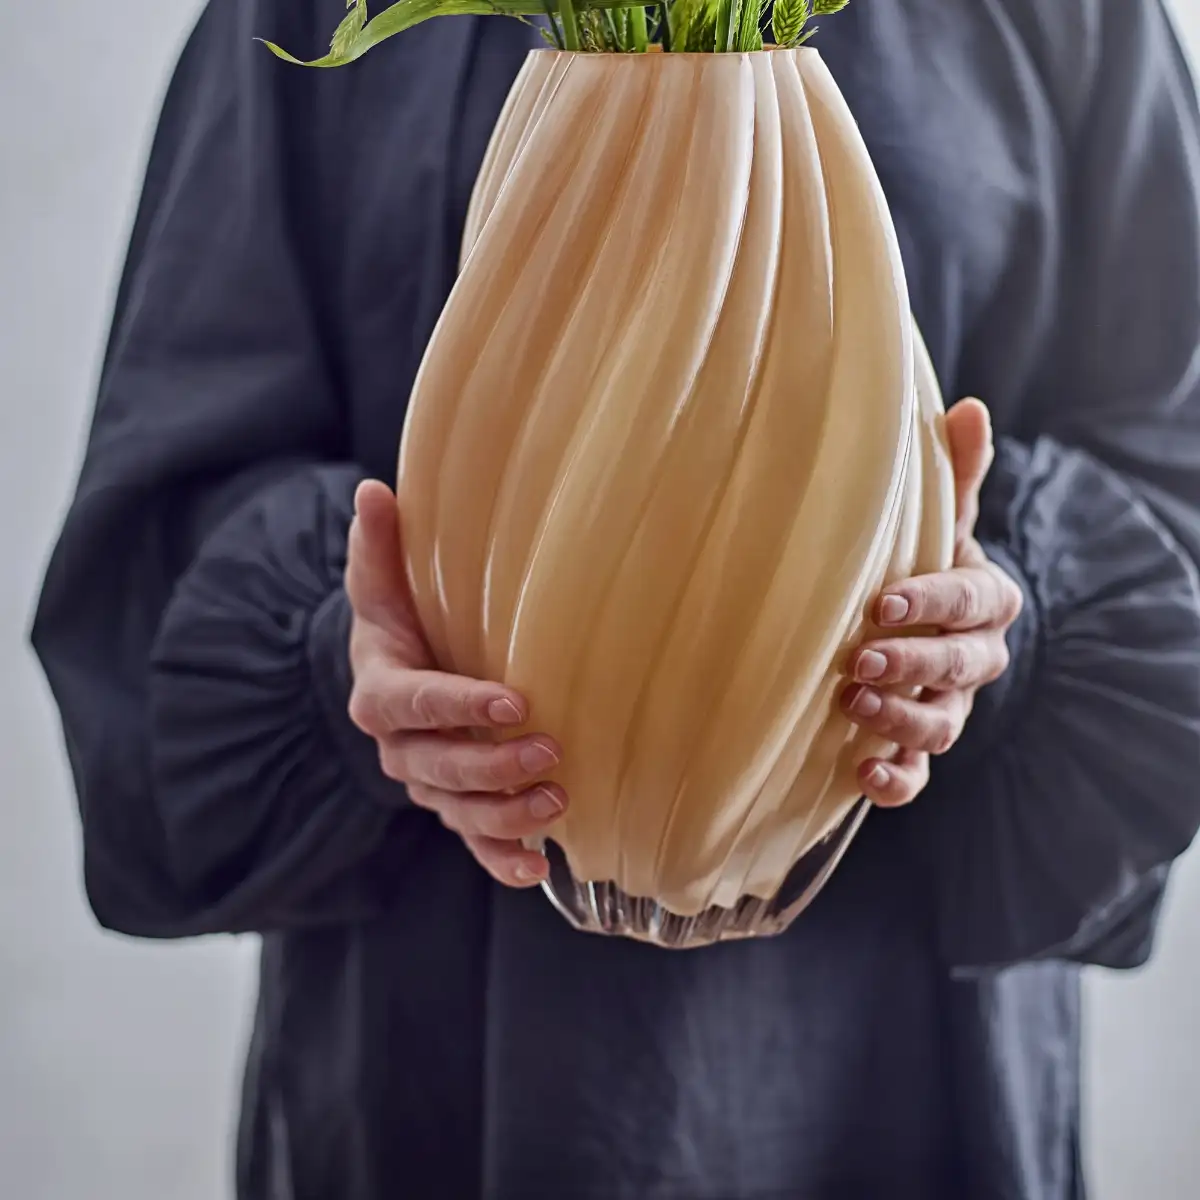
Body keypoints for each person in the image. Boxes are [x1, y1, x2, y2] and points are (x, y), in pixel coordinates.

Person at [30, 0, 1200, 1196]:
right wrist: (347, 653)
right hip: (437, 1066)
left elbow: (1175, 490)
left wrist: (1003, 625)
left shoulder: (1068, 19)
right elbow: (156, 544)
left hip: (900, 1076)